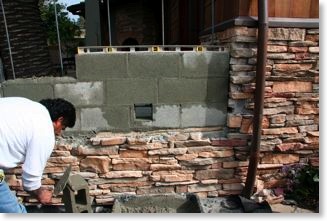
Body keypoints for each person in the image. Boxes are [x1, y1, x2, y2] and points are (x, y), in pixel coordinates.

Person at [0, 97, 76, 213]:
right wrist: (41, 193)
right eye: (63, 128)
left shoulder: (26, 106)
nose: (59, 133)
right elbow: (31, 181)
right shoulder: (44, 130)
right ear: (59, 120)